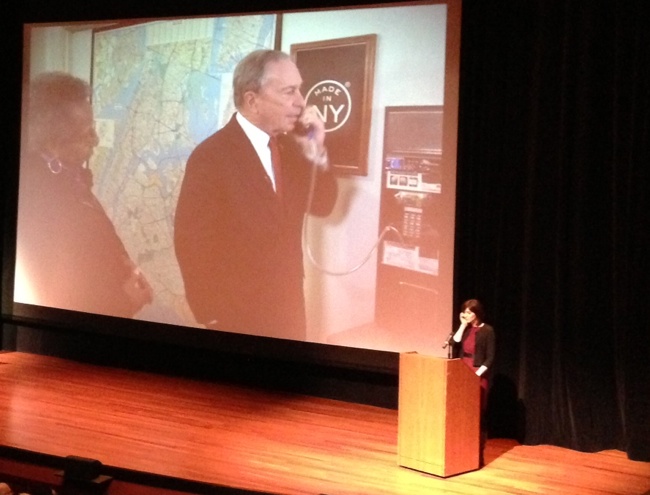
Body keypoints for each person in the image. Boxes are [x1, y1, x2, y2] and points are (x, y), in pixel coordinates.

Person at [174, 50, 338, 340]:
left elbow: (323, 205)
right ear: (252, 100)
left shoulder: (291, 151)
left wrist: (318, 150)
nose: (301, 102)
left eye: (299, 90)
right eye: (290, 91)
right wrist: (210, 314)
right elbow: (192, 241)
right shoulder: (211, 156)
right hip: (235, 316)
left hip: (288, 310)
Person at [17, 71, 153, 318]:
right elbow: (59, 300)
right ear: (53, 141)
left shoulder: (69, 179)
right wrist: (124, 301)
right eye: (86, 132)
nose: (96, 139)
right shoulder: (39, 199)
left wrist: (125, 270)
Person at [451, 298, 496, 465]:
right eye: (465, 312)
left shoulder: (488, 331)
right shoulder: (466, 330)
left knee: (476, 414)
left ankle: (477, 455)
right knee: (460, 412)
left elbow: (490, 358)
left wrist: (477, 374)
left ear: (476, 313)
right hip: (462, 370)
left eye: (469, 312)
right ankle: (460, 450)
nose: (466, 315)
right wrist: (462, 324)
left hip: (477, 373)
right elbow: (454, 342)